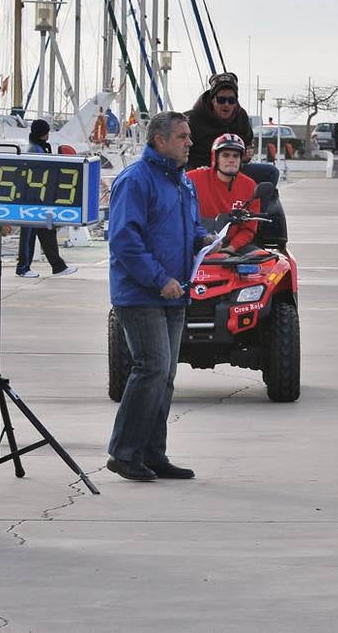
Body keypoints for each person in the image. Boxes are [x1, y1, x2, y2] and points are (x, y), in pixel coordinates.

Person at [106, 112, 211, 482]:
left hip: (175, 291)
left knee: (164, 375)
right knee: (150, 367)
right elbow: (124, 240)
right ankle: (124, 452)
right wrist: (158, 278)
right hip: (141, 293)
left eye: (189, 136)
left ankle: (153, 453)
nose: (189, 142)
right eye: (182, 136)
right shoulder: (135, 181)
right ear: (159, 140)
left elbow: (191, 225)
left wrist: (205, 239)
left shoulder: (183, 183)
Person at [15, 119, 76, 278]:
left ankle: (58, 266)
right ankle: (22, 267)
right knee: (28, 233)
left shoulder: (40, 147)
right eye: (47, 131)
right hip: (32, 199)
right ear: (43, 133)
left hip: (41, 199)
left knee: (47, 231)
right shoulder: (34, 150)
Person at [186, 134, 260, 252]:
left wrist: (231, 248)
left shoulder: (250, 186)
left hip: (232, 248)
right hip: (195, 245)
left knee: (266, 261)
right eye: (225, 155)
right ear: (215, 158)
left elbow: (249, 229)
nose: (231, 160)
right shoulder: (192, 179)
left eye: (236, 156)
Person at [186, 72, 253, 170]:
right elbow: (179, 153)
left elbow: (247, 145)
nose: (226, 104)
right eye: (221, 100)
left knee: (270, 172)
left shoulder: (241, 116)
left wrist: (246, 156)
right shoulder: (191, 119)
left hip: (231, 169)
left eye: (231, 100)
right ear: (212, 100)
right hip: (200, 169)